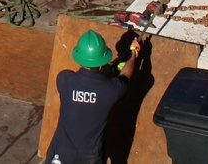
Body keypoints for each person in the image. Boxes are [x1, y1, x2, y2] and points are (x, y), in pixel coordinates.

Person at [46, 30, 141, 164]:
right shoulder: (111, 90)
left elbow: (85, 82)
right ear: (103, 58)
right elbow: (126, 75)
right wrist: (133, 55)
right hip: (90, 156)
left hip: (62, 151)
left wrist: (108, 69)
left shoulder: (64, 80)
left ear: (79, 55)